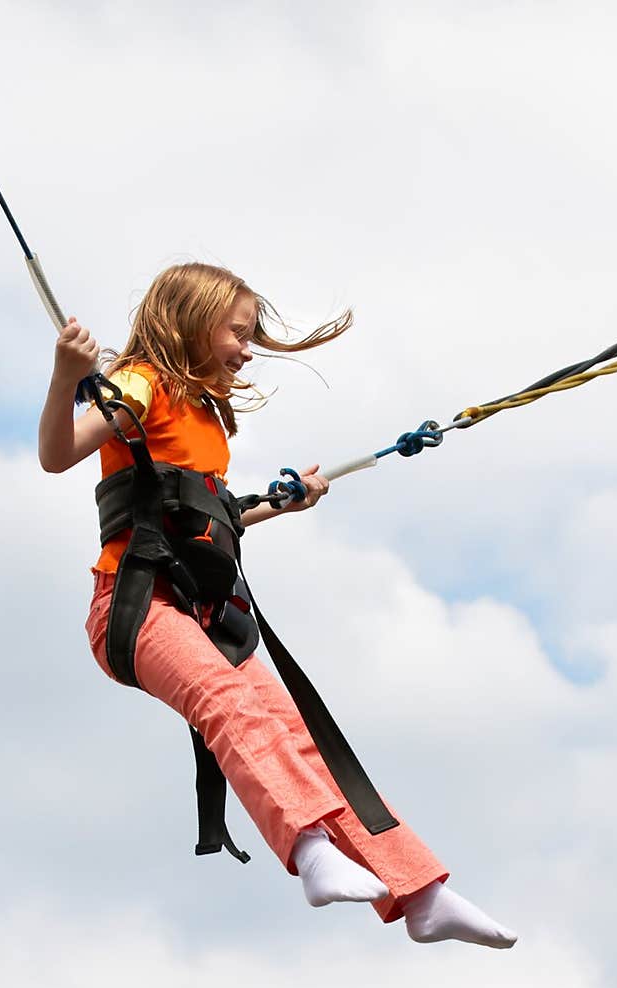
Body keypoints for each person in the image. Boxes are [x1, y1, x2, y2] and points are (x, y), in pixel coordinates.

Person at [38, 262, 517, 950]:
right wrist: (65, 377)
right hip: (134, 605)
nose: (247, 348)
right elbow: (57, 456)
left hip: (202, 612)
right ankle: (311, 851)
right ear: (191, 321)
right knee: (228, 706)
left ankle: (422, 892)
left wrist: (281, 503)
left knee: (299, 736)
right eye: (237, 332)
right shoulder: (141, 383)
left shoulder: (207, 422)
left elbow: (207, 513)